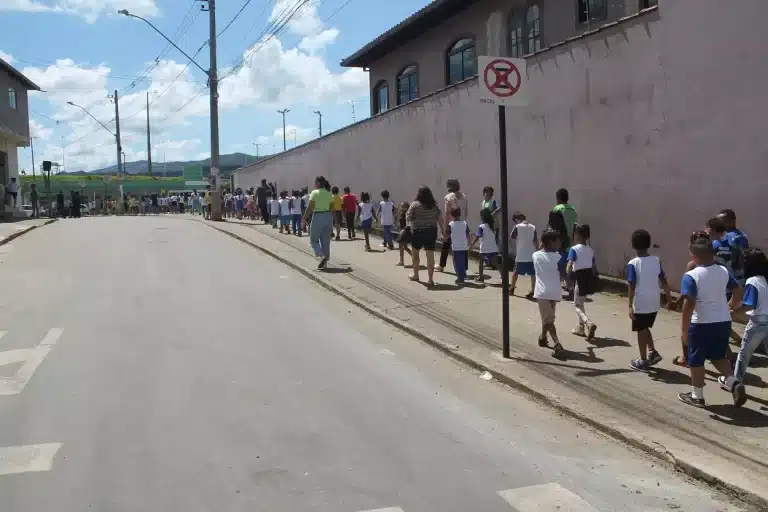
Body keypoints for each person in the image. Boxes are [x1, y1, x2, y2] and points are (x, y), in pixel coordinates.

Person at [678, 238, 745, 408]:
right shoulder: (723, 271)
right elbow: (737, 290)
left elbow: (689, 304)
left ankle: (697, 396)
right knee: (718, 357)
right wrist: (731, 306)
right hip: (723, 322)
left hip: (701, 323)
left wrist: (684, 330)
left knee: (696, 360)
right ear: (712, 254)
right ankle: (734, 383)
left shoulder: (691, 276)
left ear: (693, 257)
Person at [626, 229, 673, 372]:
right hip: (654, 301)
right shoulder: (656, 260)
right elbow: (663, 280)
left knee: (641, 330)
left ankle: (643, 360)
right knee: (645, 326)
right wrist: (669, 298)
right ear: (649, 244)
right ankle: (652, 352)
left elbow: (631, 285)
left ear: (633, 245)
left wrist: (629, 305)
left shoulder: (633, 263)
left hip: (641, 302)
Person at [729, 249, 768, 388]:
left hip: (758, 323)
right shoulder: (764, 279)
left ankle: (735, 382)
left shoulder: (753, 281)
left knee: (744, 353)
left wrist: (733, 313)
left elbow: (749, 304)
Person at [533, 229, 565, 358]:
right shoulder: (559, 257)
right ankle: (545, 338)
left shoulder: (535, 255)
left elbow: (541, 252)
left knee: (548, 319)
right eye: (557, 240)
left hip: (542, 292)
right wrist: (569, 283)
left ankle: (555, 343)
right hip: (555, 292)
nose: (560, 242)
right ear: (551, 242)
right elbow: (563, 273)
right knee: (548, 318)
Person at [406, 186, 442, 287]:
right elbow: (440, 219)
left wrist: (412, 220)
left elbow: (408, 217)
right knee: (430, 255)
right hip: (431, 231)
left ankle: (416, 275)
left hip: (418, 231)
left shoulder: (415, 205)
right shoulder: (434, 206)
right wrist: (443, 231)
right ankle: (430, 280)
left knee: (415, 254)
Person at [566, 224, 598, 339]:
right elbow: (594, 267)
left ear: (577, 235)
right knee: (581, 303)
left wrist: (568, 278)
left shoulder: (574, 249)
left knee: (576, 305)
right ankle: (580, 327)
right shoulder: (591, 250)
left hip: (579, 278)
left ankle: (588, 322)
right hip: (588, 278)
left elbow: (569, 264)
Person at [302, 176, 334, 270]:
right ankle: (325, 264)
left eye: (315, 182)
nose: (314, 184)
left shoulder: (314, 193)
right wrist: (333, 223)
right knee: (326, 242)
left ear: (319, 183)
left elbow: (310, 207)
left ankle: (321, 255)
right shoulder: (329, 193)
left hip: (318, 217)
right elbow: (332, 209)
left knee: (314, 240)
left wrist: (304, 219)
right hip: (328, 217)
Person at [437, 179, 468, 273]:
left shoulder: (448, 197)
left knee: (445, 245)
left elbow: (447, 213)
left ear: (450, 186)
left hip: (452, 224)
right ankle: (464, 268)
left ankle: (441, 266)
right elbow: (466, 211)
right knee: (463, 246)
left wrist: (445, 228)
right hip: (462, 224)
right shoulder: (464, 196)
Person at [509, 211, 537, 298]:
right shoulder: (533, 227)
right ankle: (533, 291)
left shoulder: (517, 227)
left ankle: (512, 289)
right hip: (531, 255)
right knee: (533, 274)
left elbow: (512, 236)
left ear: (517, 219)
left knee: (515, 272)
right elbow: (535, 241)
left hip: (521, 254)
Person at [718, 209, 749, 285]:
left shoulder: (735, 237)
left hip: (733, 278)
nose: (718, 224)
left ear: (732, 221)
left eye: (722, 221)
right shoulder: (740, 235)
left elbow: (734, 258)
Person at [469, 208, 499, 284]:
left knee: (481, 263)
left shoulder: (481, 226)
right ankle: (504, 277)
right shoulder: (492, 226)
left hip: (484, 248)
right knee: (497, 264)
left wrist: (472, 244)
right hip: (493, 247)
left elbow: (478, 236)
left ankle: (481, 277)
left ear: (483, 217)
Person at [447, 207, 470, 285]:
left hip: (455, 247)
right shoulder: (464, 223)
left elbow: (447, 235)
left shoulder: (450, 224)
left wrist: (443, 238)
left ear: (452, 215)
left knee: (456, 262)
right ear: (460, 214)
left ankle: (460, 278)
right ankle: (463, 274)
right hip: (464, 246)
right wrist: (470, 244)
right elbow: (468, 234)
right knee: (463, 261)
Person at [396, 201, 412, 267]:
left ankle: (401, 261)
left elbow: (409, 224)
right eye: (401, 207)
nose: (402, 208)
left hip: (406, 232)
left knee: (401, 246)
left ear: (407, 208)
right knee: (404, 247)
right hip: (403, 232)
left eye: (404, 207)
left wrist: (403, 229)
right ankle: (414, 258)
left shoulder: (408, 214)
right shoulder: (402, 214)